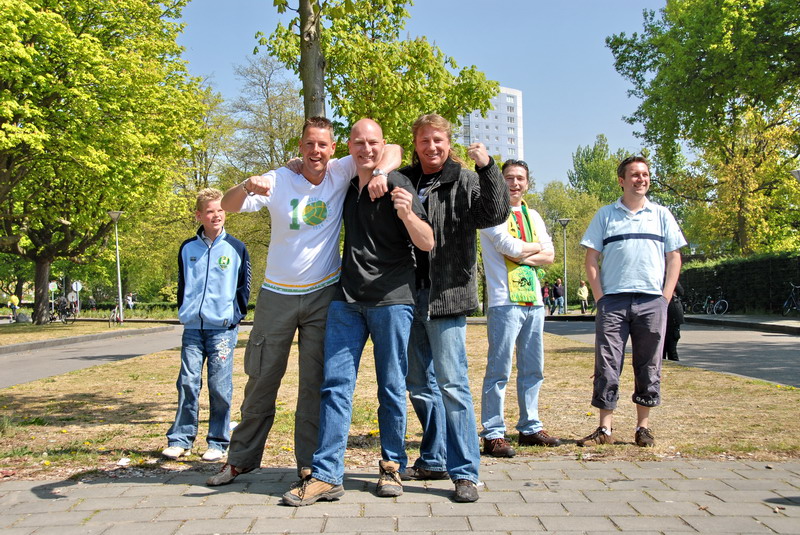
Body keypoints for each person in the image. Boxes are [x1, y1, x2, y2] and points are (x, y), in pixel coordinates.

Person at [207, 116, 401, 487]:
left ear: (333, 149)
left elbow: (391, 149)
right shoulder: (278, 179)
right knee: (261, 378)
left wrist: (380, 174)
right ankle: (241, 460)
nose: (316, 151)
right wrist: (247, 184)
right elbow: (228, 205)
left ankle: (309, 465)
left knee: (315, 384)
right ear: (300, 147)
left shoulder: (342, 170)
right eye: (309, 144)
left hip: (323, 295)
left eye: (323, 145)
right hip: (276, 295)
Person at [282, 119, 433, 506]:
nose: (366, 148)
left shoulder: (399, 182)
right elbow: (311, 171)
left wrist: (407, 214)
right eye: (359, 142)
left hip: (393, 301)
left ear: (382, 145)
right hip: (346, 301)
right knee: (335, 388)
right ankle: (328, 475)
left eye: (373, 143)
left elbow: (428, 241)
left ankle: (391, 467)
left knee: (391, 388)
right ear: (348, 146)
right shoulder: (344, 183)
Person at [401, 113, 509, 503]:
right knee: (418, 384)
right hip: (407, 296)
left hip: (448, 293)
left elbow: (495, 214)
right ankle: (433, 457)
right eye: (425, 140)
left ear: (448, 143)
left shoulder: (463, 178)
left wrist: (488, 167)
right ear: (416, 144)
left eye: (438, 140)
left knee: (452, 385)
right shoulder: (407, 179)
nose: (432, 147)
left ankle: (465, 472)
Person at [578, 155, 686, 448]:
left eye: (645, 174)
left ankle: (643, 428)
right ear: (622, 180)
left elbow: (674, 257)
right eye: (635, 174)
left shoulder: (662, 214)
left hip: (652, 302)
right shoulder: (605, 215)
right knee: (608, 363)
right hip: (613, 302)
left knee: (648, 364)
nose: (641, 179)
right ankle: (605, 429)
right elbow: (591, 259)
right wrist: (600, 298)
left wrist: (665, 297)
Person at [478, 159, 561, 459]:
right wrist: (534, 248)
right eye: (509, 178)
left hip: (533, 302)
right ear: (500, 182)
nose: (515, 183)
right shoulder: (490, 211)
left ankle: (530, 427)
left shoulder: (533, 215)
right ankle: (493, 433)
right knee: (499, 370)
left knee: (532, 368)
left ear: (528, 182)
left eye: (520, 178)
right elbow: (509, 247)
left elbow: (550, 256)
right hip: (504, 302)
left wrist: (525, 252)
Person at [163, 188, 251, 461]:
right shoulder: (188, 248)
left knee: (218, 385)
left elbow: (243, 286)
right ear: (199, 215)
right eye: (210, 211)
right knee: (188, 382)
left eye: (220, 211)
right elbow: (183, 283)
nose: (216, 216)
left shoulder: (236, 248)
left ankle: (217, 441)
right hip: (192, 328)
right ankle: (180, 438)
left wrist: (235, 315)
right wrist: (185, 310)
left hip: (222, 330)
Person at [663, 280, 684, 361]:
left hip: (668, 313)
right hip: (671, 312)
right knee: (671, 348)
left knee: (664, 347)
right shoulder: (670, 276)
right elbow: (680, 291)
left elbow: (680, 291)